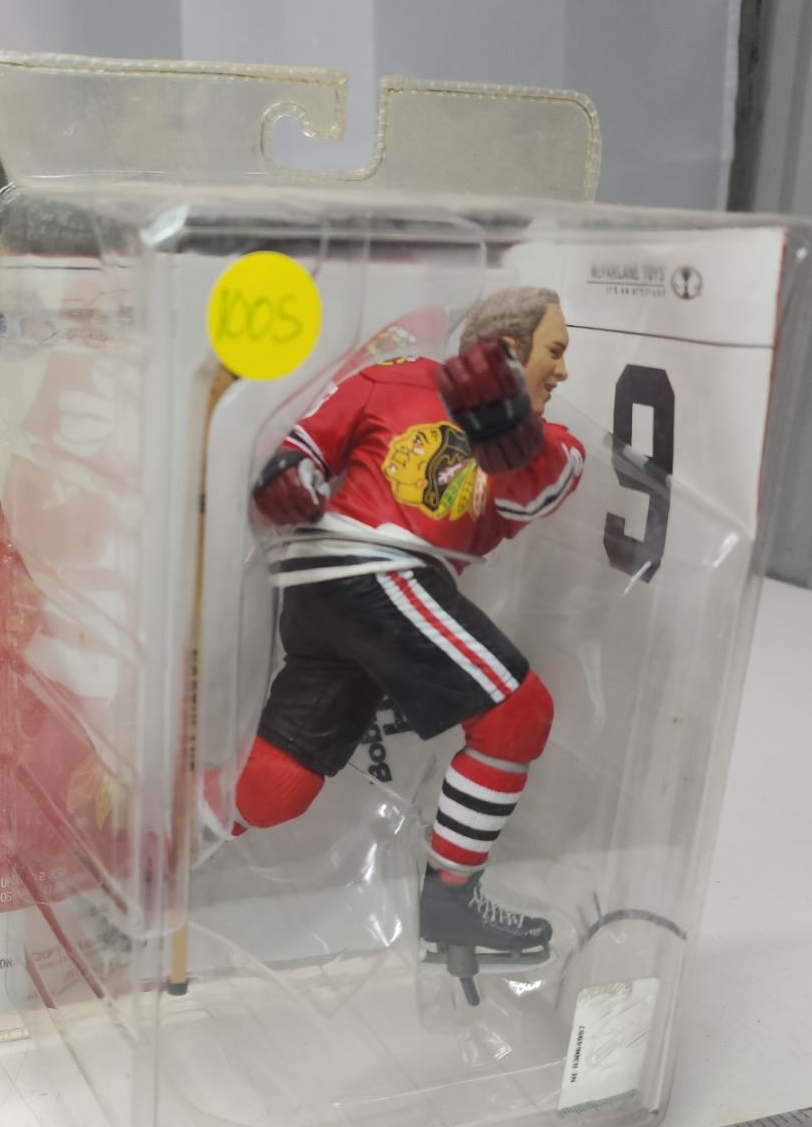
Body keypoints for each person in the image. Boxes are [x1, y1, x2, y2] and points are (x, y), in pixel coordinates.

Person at [226, 285, 583, 975]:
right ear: (510, 350)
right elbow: (303, 448)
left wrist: (505, 426)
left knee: (279, 789)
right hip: (370, 570)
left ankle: (165, 837)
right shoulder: (391, 378)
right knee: (517, 713)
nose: (563, 371)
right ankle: (451, 903)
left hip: (333, 596)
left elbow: (528, 491)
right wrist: (288, 482)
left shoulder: (556, 445)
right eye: (555, 350)